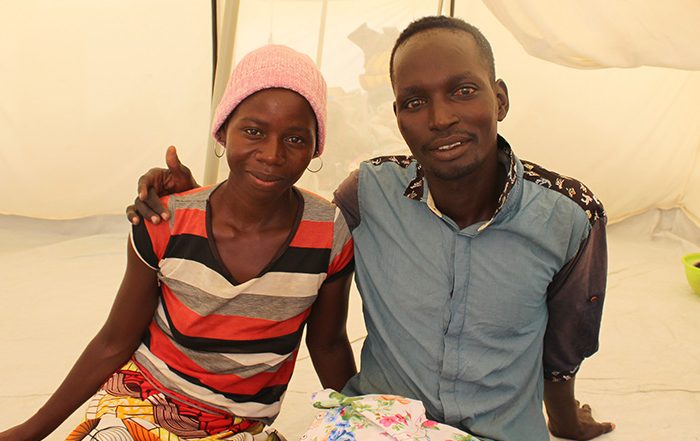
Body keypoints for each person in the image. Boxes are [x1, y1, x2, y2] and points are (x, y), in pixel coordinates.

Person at [127, 16, 614, 441]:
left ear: (500, 99)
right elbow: (284, 219)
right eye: (415, 101)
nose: (441, 118)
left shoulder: (570, 216)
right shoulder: (369, 195)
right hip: (378, 428)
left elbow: (565, 346)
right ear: (399, 117)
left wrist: (565, 421)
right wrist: (204, 202)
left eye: (463, 91)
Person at [0, 44, 356, 441]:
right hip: (143, 402)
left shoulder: (328, 233)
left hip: (239, 427)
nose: (272, 155)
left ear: (315, 147)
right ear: (222, 132)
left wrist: (366, 422)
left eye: (295, 139)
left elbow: (328, 346)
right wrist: (30, 431)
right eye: (253, 131)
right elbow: (114, 341)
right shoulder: (166, 222)